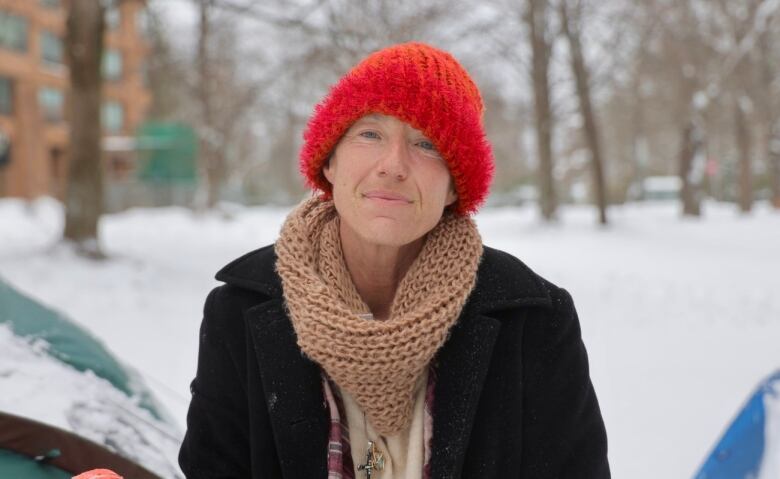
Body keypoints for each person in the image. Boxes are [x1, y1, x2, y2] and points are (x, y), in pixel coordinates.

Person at [178, 42, 609, 479]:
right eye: (370, 134)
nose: (394, 165)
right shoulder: (238, 312)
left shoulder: (533, 321)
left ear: (455, 187)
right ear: (329, 161)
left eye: (427, 144)